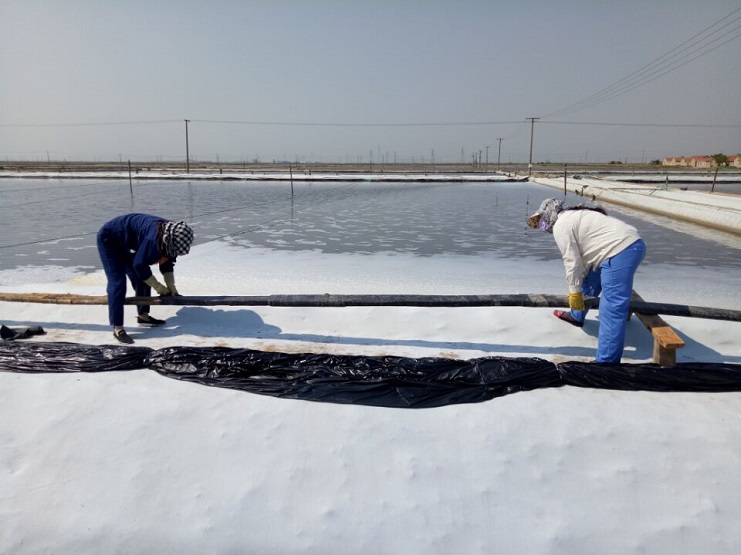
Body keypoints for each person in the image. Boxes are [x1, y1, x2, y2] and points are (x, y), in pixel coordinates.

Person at [527, 198, 646, 363]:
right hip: (624, 245)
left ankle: (607, 362)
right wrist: (578, 286)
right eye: (540, 225)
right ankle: (576, 315)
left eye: (542, 222)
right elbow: (583, 262)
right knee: (591, 281)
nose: (543, 227)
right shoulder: (572, 216)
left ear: (549, 215)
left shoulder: (561, 225)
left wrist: (574, 292)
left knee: (611, 307)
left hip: (620, 249)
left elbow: (572, 262)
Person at [97, 213, 194, 344]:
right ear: (168, 241)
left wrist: (171, 286)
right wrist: (159, 287)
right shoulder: (153, 239)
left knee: (141, 279)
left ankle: (143, 316)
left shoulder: (172, 236)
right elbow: (139, 265)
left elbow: (167, 260)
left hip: (126, 241)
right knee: (118, 282)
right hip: (109, 238)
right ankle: (118, 328)